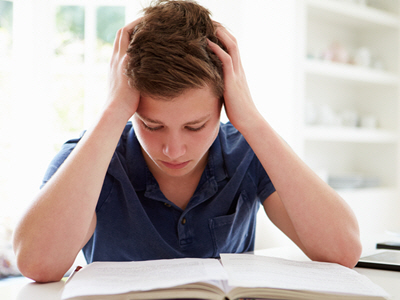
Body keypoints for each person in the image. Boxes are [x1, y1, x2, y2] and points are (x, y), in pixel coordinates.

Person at [12, 0, 362, 283]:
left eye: (195, 126)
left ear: (225, 104)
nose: (174, 150)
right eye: (152, 125)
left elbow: (343, 251)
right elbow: (37, 264)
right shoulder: (92, 155)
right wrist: (111, 112)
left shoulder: (245, 149)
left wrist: (251, 119)